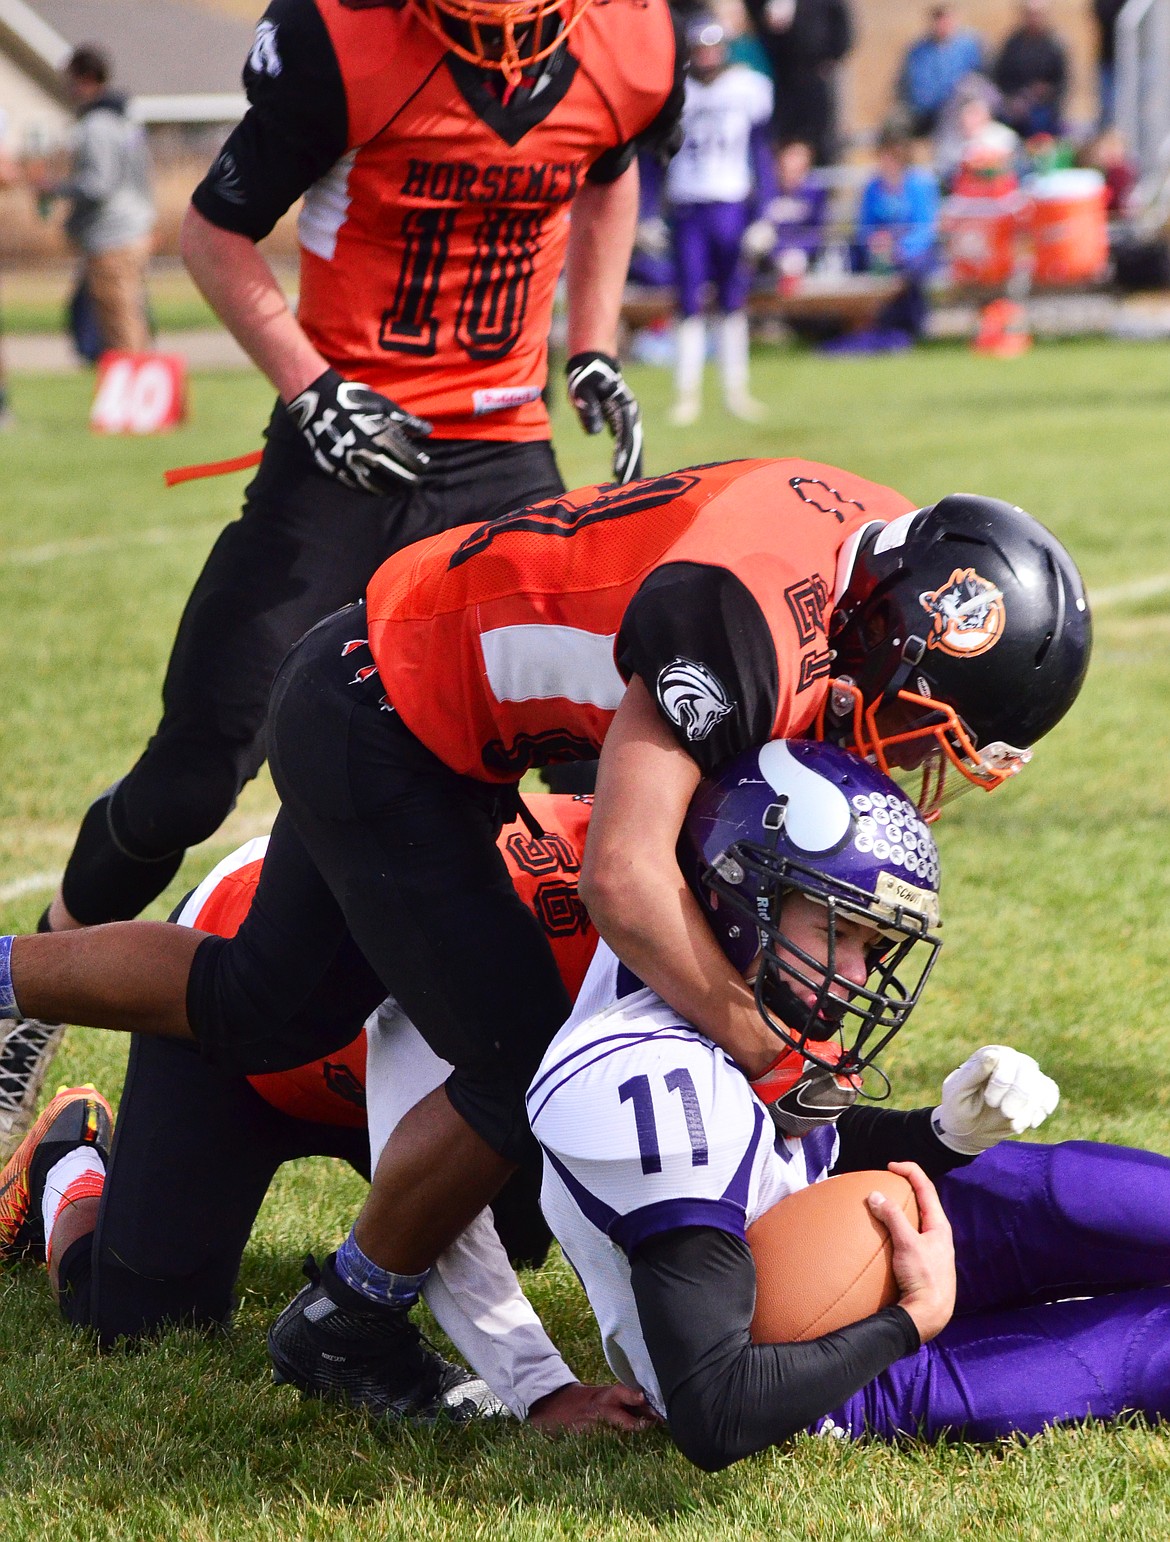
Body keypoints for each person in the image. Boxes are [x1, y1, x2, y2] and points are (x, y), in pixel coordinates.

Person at [0, 462, 1091, 1416]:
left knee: (262, 1000)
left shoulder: (875, 562)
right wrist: (764, 1041)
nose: (901, 760)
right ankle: (348, 1314)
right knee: (522, 1058)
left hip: (403, 698)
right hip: (381, 717)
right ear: (897, 631)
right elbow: (624, 878)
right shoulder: (745, 622)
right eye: (917, 724)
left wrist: (912, 1126)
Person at [14, 0, 683, 1134]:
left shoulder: (630, 42)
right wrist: (309, 386)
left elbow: (607, 168)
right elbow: (213, 230)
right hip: (344, 446)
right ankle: (30, 993)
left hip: (502, 450)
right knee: (192, 774)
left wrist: (595, 340)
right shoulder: (343, 36)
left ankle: (627, 1065)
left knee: (597, 761)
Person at [530, 738, 1170, 1468]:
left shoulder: (708, 976)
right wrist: (909, 1320)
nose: (859, 972)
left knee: (1073, 1196)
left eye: (872, 943)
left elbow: (783, 1146)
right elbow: (718, 1410)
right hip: (807, 1367)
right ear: (742, 897)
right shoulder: (645, 1083)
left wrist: (944, 1133)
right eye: (839, 931)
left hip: (857, 1222)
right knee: (1141, 1350)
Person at [0, 798, 650, 1433]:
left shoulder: (656, 857)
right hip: (239, 1043)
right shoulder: (497, 925)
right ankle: (69, 1157)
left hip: (398, 1041)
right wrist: (541, 1389)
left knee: (526, 1228)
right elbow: (440, 1162)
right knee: (138, 1320)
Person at [663, 14, 775, 425]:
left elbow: (762, 153)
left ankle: (735, 391)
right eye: (701, 47)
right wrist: (649, 213)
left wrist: (765, 213)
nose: (708, 55)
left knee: (733, 299)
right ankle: (686, 395)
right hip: (689, 203)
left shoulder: (747, 87)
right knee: (688, 300)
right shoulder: (677, 90)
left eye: (714, 47)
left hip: (731, 202)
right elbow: (655, 155)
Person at [30, 46, 155, 355]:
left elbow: (99, 185)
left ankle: (135, 396)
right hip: (135, 229)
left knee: (120, 328)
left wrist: (54, 187)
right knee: (132, 321)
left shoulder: (95, 125)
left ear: (84, 78)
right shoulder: (125, 121)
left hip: (111, 237)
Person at [830, 119, 939, 352]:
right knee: (854, 258)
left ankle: (906, 325)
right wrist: (875, 244)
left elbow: (925, 228)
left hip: (913, 254)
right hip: (880, 253)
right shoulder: (873, 188)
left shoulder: (919, 184)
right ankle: (863, 326)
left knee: (912, 271)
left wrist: (900, 249)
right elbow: (865, 227)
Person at [742, 0, 852, 165]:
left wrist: (831, 56)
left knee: (818, 145)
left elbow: (841, 26)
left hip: (813, 80)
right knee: (780, 145)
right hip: (780, 81)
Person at [897, 4, 985, 139]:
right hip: (924, 111)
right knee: (895, 124)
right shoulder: (918, 51)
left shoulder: (969, 47)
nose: (942, 24)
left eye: (946, 19)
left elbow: (978, 80)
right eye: (939, 20)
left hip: (956, 109)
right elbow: (911, 85)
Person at [992, 0, 1069, 141]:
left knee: (1039, 122)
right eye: (1030, 14)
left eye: (1037, 14)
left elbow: (1063, 81)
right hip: (1015, 102)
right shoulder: (1013, 44)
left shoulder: (1055, 45)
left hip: (1044, 106)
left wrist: (1046, 91)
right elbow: (1001, 75)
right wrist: (1013, 98)